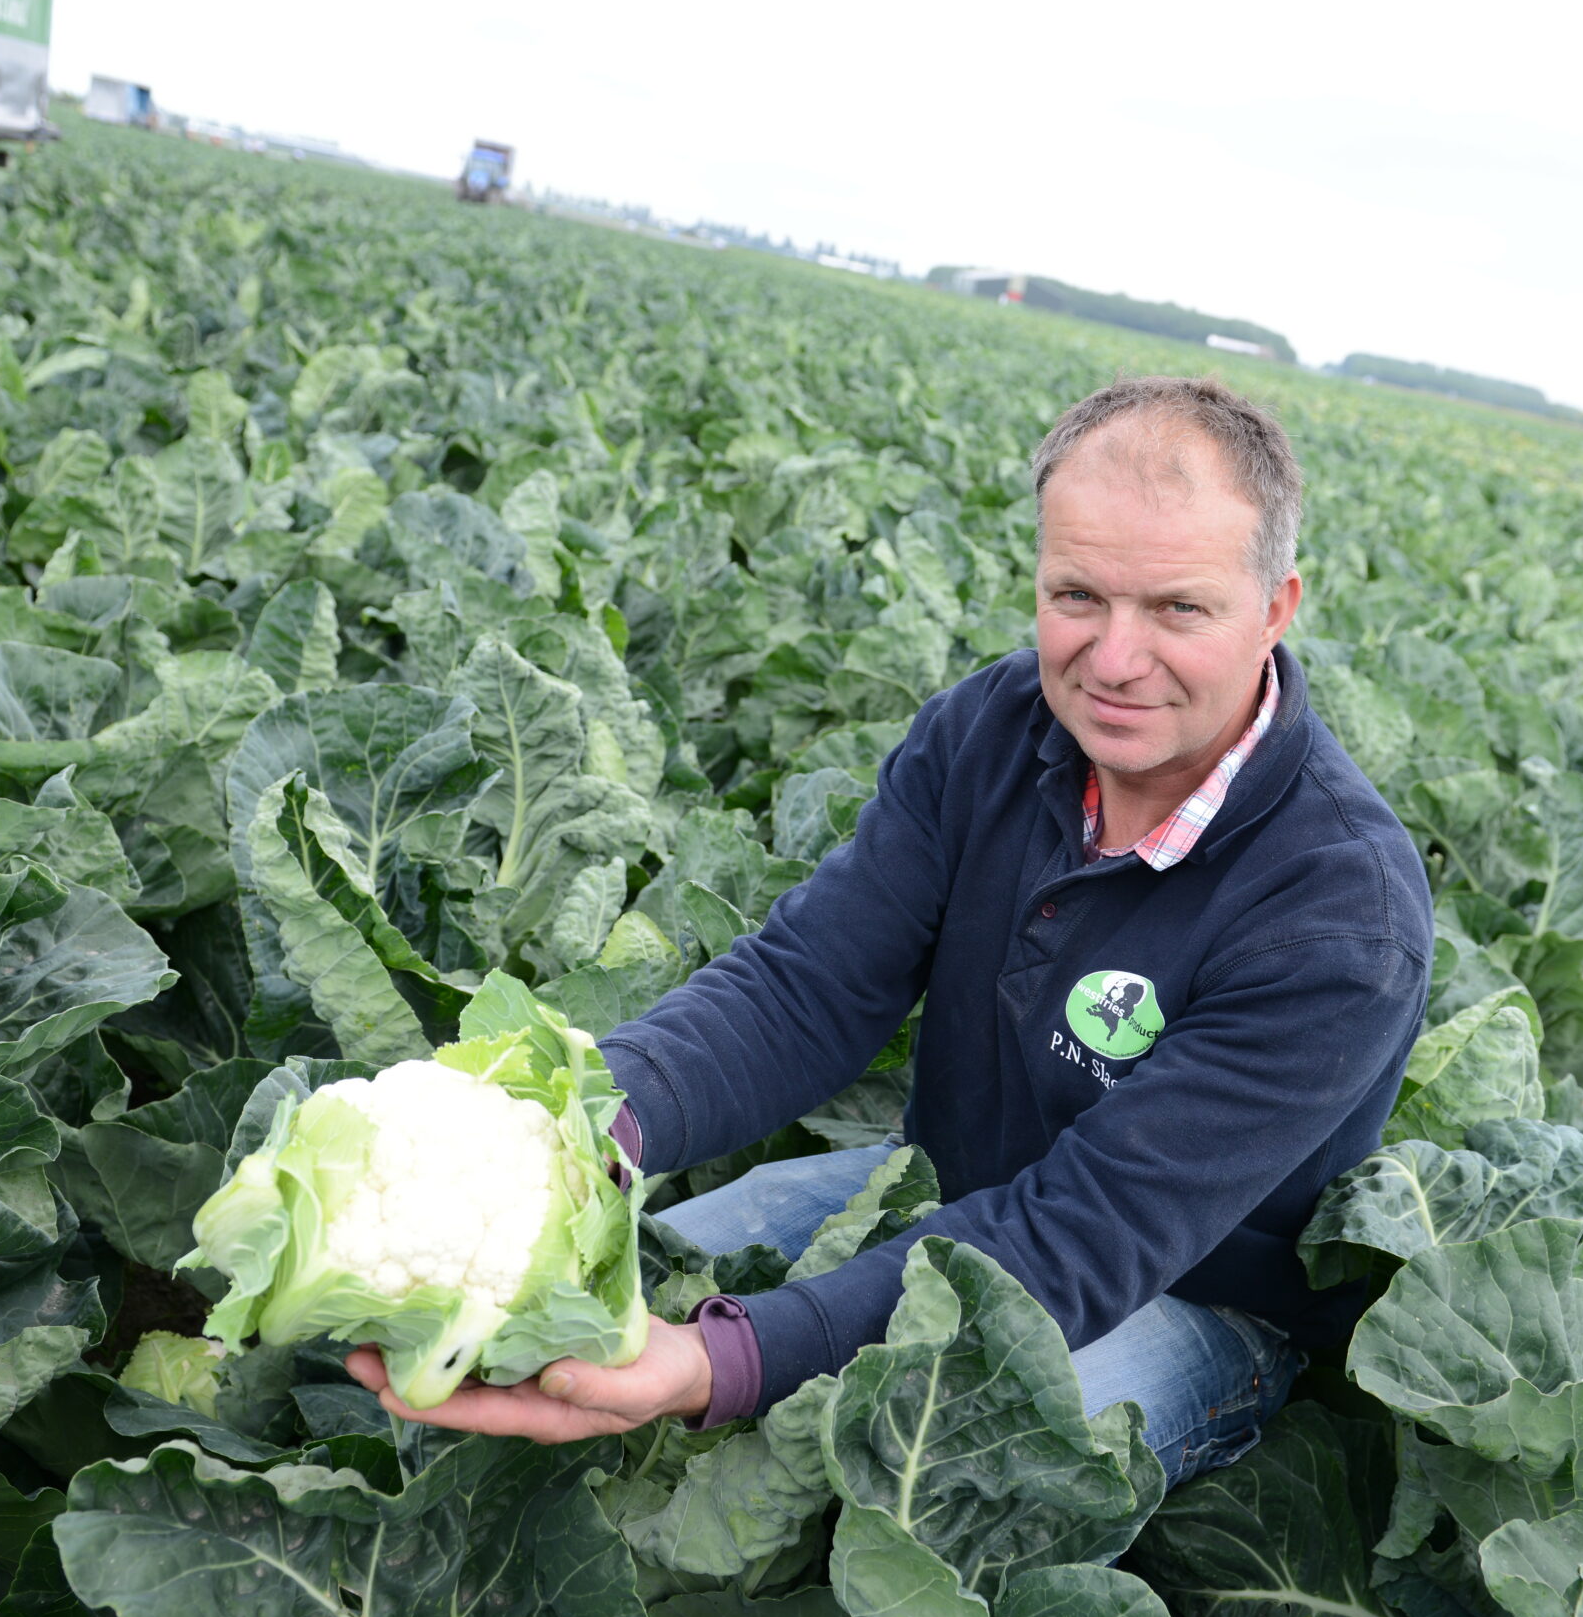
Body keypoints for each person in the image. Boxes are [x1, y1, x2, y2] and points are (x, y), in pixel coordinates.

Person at [348, 375, 1434, 1486]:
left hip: (1186, 1293)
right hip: (937, 1179)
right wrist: (571, 1125)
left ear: (1275, 606)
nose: (1113, 658)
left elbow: (1085, 1230)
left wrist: (721, 1360)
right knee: (609, 1277)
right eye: (1077, 595)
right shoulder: (991, 729)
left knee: (927, 1460)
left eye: (1177, 609)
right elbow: (806, 988)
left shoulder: (1339, 915)